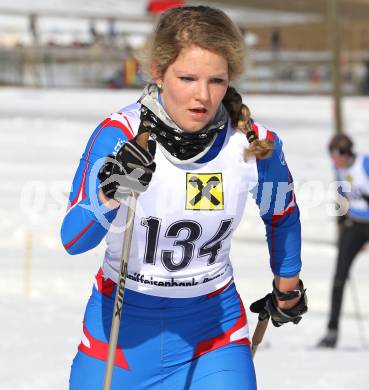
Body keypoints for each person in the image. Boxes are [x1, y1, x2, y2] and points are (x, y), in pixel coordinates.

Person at [61, 6, 307, 389]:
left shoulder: (254, 143)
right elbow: (73, 239)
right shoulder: (118, 135)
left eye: (216, 80)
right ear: (158, 73)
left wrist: (287, 285)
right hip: (121, 337)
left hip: (213, 334)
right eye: (187, 78)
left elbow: (282, 214)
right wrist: (111, 192)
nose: (203, 96)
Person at [317, 134, 369, 348]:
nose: (334, 162)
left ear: (347, 154)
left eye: (337, 157)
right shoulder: (339, 168)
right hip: (355, 225)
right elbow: (341, 192)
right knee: (339, 276)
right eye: (332, 157)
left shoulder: (364, 164)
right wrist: (341, 212)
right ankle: (332, 331)